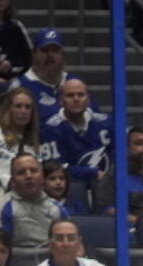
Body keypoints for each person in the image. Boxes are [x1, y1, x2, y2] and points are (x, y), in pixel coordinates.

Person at [38, 78, 111, 207]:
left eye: (80, 95)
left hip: (107, 186)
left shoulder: (106, 123)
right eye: (70, 95)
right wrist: (93, 173)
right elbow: (55, 168)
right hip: (71, 189)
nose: (76, 99)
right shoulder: (50, 128)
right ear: (61, 100)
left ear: (88, 100)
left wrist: (110, 176)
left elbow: (119, 155)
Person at [0, 153, 68, 247]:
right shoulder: (2, 209)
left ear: (42, 177)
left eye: (33, 171)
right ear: (13, 182)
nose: (28, 176)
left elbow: (69, 246)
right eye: (21, 172)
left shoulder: (57, 209)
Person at [13, 28, 89, 122]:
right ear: (34, 54)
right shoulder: (21, 86)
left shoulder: (73, 83)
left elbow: (93, 115)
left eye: (55, 50)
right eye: (45, 50)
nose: (50, 55)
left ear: (62, 55)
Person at [23, 218, 115, 266]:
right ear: (50, 245)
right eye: (59, 238)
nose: (65, 244)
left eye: (71, 238)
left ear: (79, 244)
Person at [0, 86, 40, 187]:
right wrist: (11, 183)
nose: (23, 111)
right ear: (8, 109)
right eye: (18, 106)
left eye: (27, 107)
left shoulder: (33, 141)